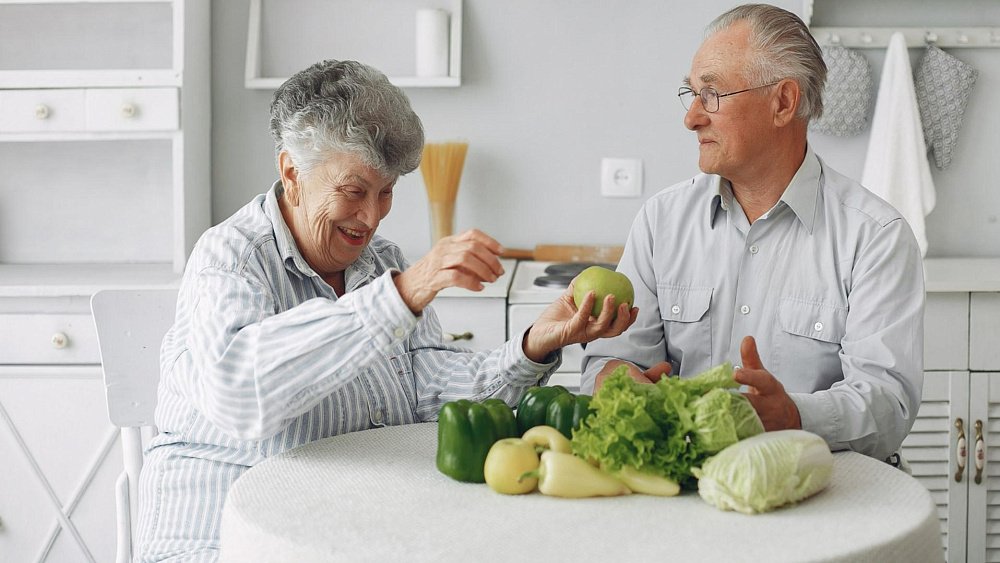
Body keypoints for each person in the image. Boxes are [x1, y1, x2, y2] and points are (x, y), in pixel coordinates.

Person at [136, 59, 637, 562]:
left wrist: (533, 345)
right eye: (354, 192)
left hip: (340, 530)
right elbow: (238, 394)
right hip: (222, 537)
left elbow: (430, 393)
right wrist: (402, 294)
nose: (372, 217)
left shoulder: (380, 264)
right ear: (292, 172)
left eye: (387, 192)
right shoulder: (229, 257)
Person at [581, 4, 924, 464]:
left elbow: (889, 405)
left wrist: (793, 414)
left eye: (713, 94)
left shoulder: (876, 237)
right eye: (692, 93)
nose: (692, 117)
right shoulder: (660, 222)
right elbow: (611, 361)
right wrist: (615, 379)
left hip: (820, 497)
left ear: (782, 102)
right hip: (681, 493)